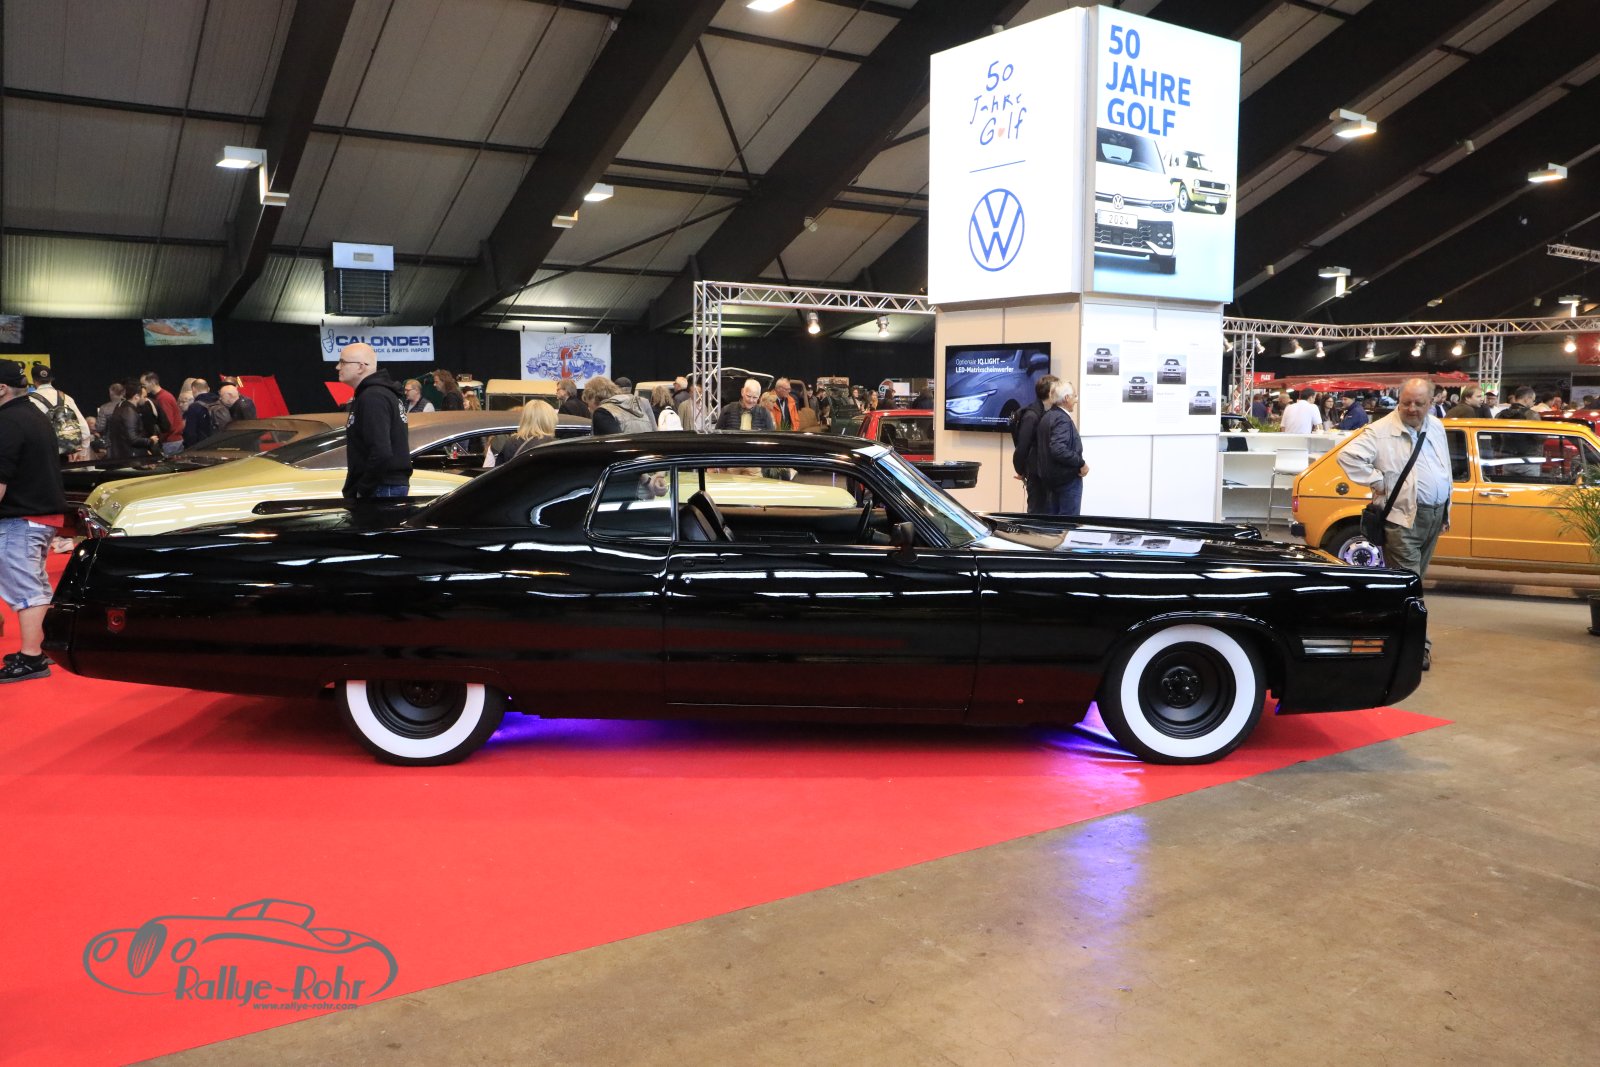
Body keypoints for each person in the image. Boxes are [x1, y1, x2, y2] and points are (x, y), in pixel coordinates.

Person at [1336, 377, 1451, 670]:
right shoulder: (1380, 431)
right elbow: (1347, 456)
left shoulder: (1436, 427)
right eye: (1406, 402)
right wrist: (1379, 482)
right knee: (1410, 588)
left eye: (1418, 403)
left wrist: (1445, 510)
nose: (1411, 409)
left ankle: (1388, 638)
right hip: (1402, 519)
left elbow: (1444, 467)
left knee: (1411, 584)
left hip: (1433, 516)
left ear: (1431, 402)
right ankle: (1416, 647)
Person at [0, 360, 69, 683]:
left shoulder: (8, 422)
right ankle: (39, 649)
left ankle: (32, 658)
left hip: (21, 517)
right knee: (35, 584)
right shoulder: (32, 414)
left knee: (26, 589)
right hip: (39, 515)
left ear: (1, 389)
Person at [337, 342, 412, 499]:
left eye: (343, 362)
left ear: (361, 367)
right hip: (384, 485)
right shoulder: (378, 394)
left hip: (381, 488)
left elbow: (381, 451)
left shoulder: (373, 397)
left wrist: (363, 489)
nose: (338, 367)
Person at [1036, 379, 1087, 516]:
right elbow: (1058, 449)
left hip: (1051, 482)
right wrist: (1081, 463)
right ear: (1066, 398)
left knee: (1054, 525)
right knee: (1067, 525)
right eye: (1075, 396)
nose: (1076, 400)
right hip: (1066, 482)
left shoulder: (1047, 416)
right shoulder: (1062, 419)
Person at [1011, 374, 1057, 514]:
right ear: (1051, 393)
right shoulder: (1032, 415)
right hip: (1035, 475)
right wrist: (1021, 471)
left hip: (1044, 473)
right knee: (1036, 515)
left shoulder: (1047, 412)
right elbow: (1022, 448)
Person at [27, 366, 93, 462]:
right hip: (65, 455)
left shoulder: (29, 400)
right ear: (51, 380)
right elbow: (85, 431)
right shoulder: (66, 398)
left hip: (41, 456)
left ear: (33, 381)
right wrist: (82, 452)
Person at [493, 400, 557, 466]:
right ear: (549, 420)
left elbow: (500, 468)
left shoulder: (511, 441)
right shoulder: (554, 445)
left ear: (525, 419)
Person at [584, 376, 652, 434]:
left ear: (593, 397)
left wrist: (595, 413)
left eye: (588, 402)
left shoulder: (603, 413)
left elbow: (612, 444)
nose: (588, 407)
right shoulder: (637, 407)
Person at [140, 373, 184, 455]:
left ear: (152, 383)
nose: (142, 388)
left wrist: (157, 440)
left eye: (143, 385)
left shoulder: (163, 398)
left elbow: (167, 424)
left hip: (170, 443)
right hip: (171, 442)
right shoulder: (161, 397)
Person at [183, 383, 223, 447]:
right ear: (208, 389)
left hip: (203, 447)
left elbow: (190, 433)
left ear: (193, 389)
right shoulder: (220, 402)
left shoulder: (194, 407)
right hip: (221, 443)